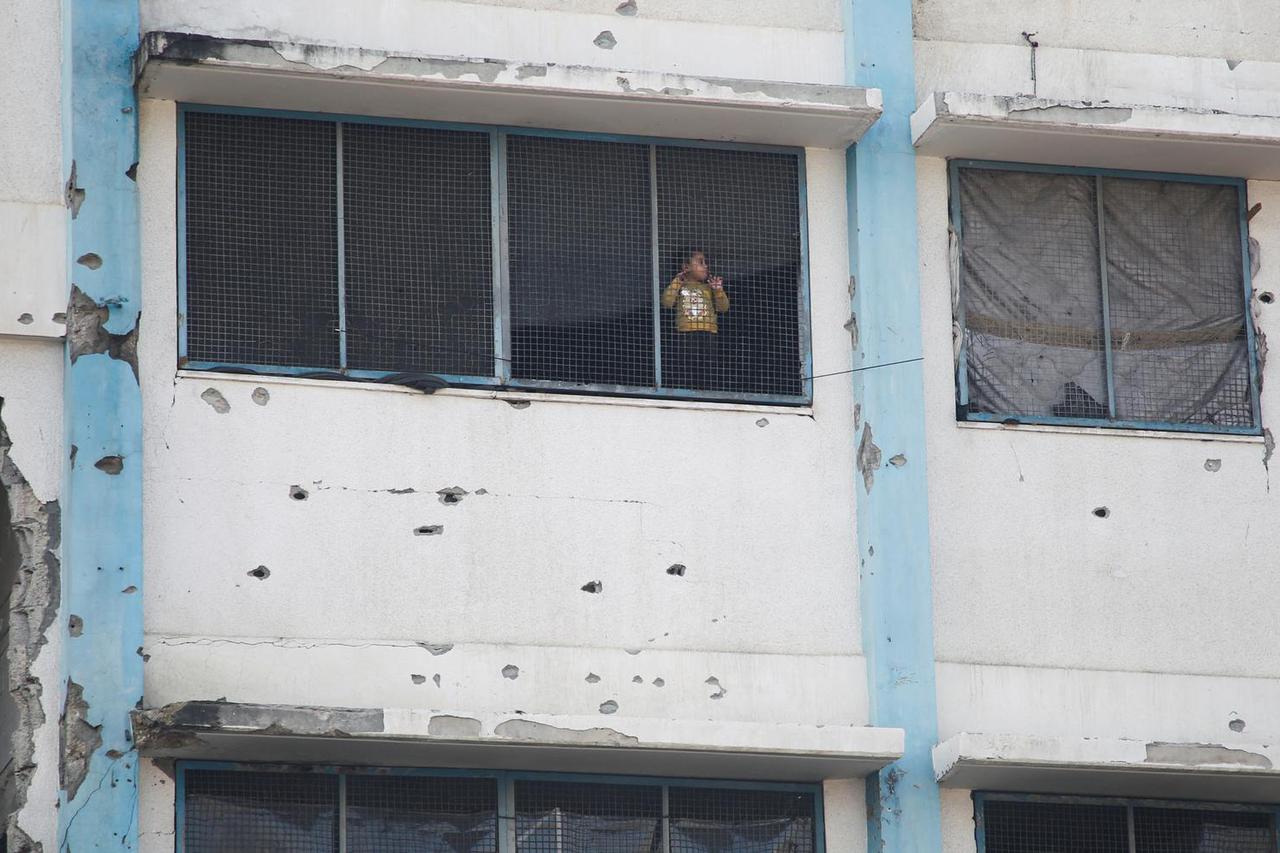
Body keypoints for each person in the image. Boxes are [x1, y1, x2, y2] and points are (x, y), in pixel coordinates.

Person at [661, 249, 729, 389]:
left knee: (709, 365)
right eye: (700, 262)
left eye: (705, 262)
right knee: (685, 364)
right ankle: (684, 392)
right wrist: (677, 282)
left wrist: (718, 290)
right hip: (686, 332)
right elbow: (667, 302)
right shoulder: (681, 286)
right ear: (686, 267)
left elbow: (723, 308)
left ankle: (709, 393)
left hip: (709, 332)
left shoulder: (708, 288)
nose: (706, 266)